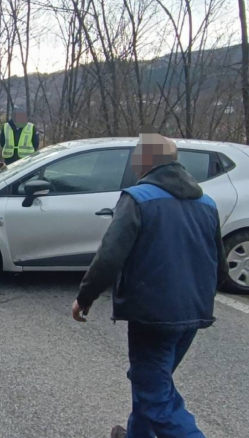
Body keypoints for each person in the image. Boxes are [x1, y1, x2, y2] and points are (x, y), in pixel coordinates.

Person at [71, 129, 226, 438]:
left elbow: (109, 257)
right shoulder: (207, 203)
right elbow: (219, 265)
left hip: (155, 316)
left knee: (157, 396)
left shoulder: (137, 199)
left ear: (147, 162)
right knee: (152, 381)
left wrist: (84, 297)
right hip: (193, 313)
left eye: (137, 157)